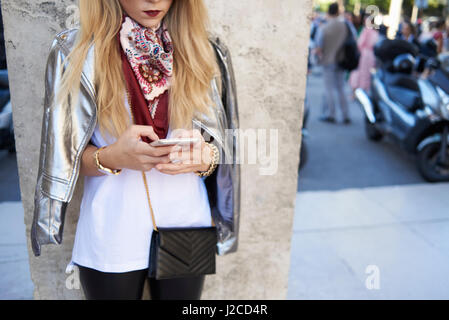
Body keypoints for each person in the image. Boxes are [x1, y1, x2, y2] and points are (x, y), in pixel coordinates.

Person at [30, 0, 240, 300]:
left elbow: (227, 145)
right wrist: (112, 157)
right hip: (111, 226)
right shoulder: (75, 52)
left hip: (188, 220)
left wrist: (207, 157)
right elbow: (60, 157)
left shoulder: (205, 49)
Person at [315, 2, 350, 124]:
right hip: (342, 60)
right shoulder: (345, 26)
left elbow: (319, 46)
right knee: (341, 88)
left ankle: (331, 114)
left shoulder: (324, 27)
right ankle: (345, 115)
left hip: (328, 60)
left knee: (329, 89)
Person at [349, 17, 379, 93]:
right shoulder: (375, 32)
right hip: (371, 55)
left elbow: (360, 43)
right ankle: (363, 90)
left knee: (358, 72)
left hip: (363, 54)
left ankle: (355, 91)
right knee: (366, 74)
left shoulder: (365, 31)